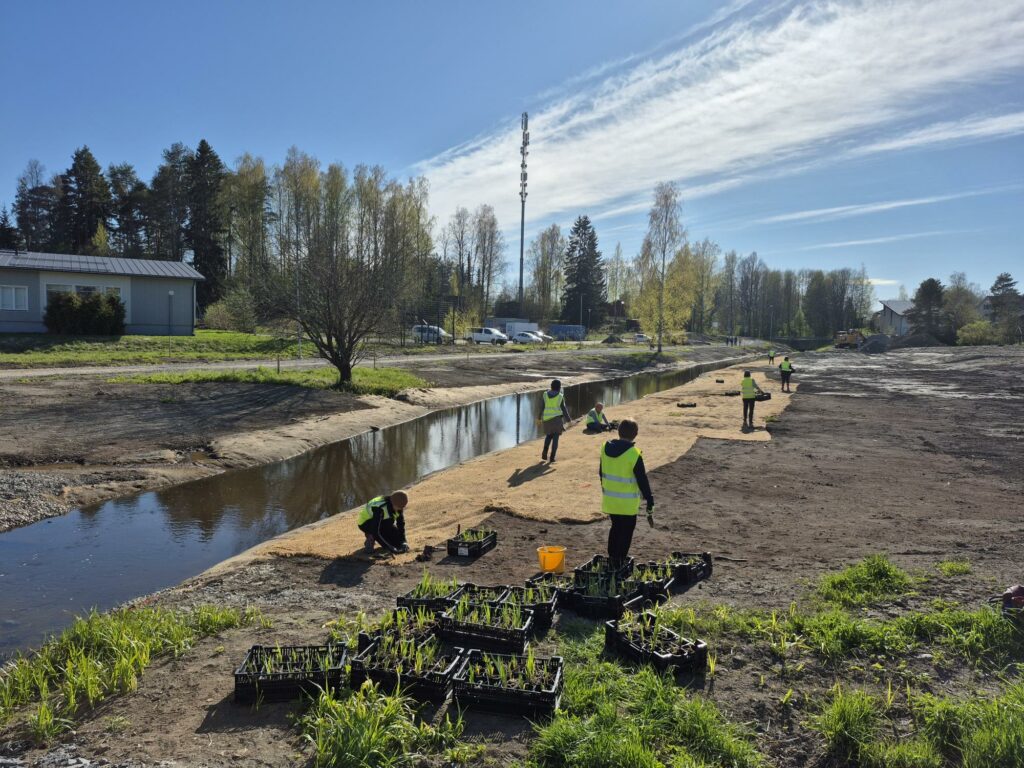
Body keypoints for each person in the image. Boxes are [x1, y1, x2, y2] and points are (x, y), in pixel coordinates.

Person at [599, 419, 654, 568]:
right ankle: (620, 560)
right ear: (635, 435)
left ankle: (612, 558)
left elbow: (601, 473)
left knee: (616, 527)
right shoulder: (634, 454)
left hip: (611, 500)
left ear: (619, 432)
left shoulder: (605, 448)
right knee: (626, 530)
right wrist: (649, 499)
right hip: (628, 503)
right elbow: (642, 479)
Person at [540, 379, 571, 462]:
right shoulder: (560, 396)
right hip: (557, 420)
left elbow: (542, 407)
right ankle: (552, 457)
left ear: (551, 386)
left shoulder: (545, 394)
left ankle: (544, 452)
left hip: (546, 419)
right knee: (555, 438)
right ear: (559, 387)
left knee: (548, 436)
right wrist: (569, 420)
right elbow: (564, 409)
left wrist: (539, 417)